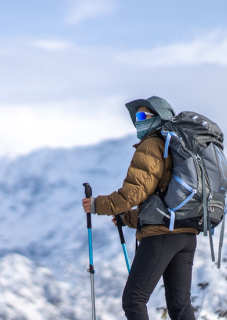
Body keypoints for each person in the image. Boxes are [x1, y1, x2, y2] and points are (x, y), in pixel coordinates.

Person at [82, 96, 199, 320]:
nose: (139, 120)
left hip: (162, 237)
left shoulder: (152, 145)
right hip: (185, 234)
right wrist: (127, 219)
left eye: (144, 115)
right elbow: (165, 201)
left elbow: (133, 193)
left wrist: (97, 205)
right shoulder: (175, 148)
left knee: (134, 300)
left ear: (159, 118)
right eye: (137, 116)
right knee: (179, 306)